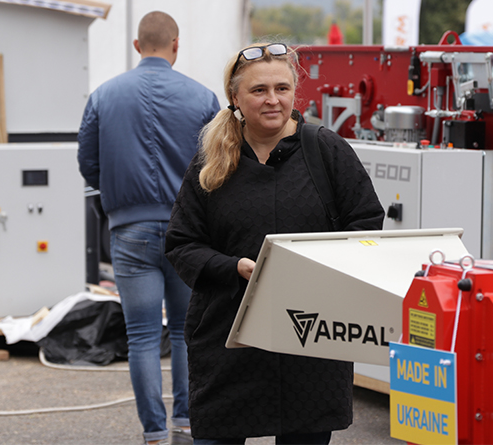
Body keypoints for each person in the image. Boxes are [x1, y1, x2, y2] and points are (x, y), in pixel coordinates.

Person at [164, 42, 384, 444]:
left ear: (294, 92)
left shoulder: (326, 150)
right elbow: (182, 243)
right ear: (235, 97)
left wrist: (324, 268)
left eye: (282, 88)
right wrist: (233, 267)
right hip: (228, 339)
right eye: (259, 90)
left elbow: (367, 223)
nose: (273, 100)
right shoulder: (212, 160)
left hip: (311, 339)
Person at [77, 11, 220, 445]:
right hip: (188, 232)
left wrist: (114, 197)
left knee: (141, 336)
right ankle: (186, 420)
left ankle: (154, 432)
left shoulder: (103, 95)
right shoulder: (203, 98)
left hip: (129, 228)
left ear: (137, 46)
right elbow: (220, 162)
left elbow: (87, 162)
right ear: (176, 45)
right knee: (185, 331)